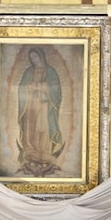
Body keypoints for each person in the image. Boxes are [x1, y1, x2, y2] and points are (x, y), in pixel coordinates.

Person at [16, 45, 65, 176]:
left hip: (44, 105)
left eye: (35, 57)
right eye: (31, 58)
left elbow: (56, 90)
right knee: (30, 129)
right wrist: (29, 88)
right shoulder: (28, 72)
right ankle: (30, 151)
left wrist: (42, 87)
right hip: (30, 105)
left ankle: (44, 152)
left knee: (43, 128)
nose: (34, 60)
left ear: (41, 57)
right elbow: (21, 88)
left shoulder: (51, 72)